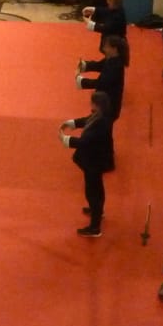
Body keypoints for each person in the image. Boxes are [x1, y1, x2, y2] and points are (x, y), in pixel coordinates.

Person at [62, 90, 115, 238]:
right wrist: (73, 123)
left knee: (93, 192)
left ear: (97, 105)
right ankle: (97, 211)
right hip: (97, 160)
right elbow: (87, 120)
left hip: (94, 162)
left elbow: (85, 142)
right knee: (97, 189)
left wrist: (66, 140)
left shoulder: (100, 123)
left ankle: (94, 227)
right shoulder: (102, 116)